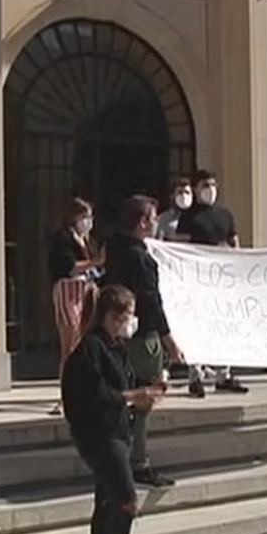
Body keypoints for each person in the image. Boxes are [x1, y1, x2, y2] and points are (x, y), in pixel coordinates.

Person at [61, 285, 166, 534]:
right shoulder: (89, 349)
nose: (130, 322)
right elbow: (97, 394)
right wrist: (133, 396)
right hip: (99, 435)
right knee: (126, 500)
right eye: (126, 315)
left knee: (107, 502)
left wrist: (148, 390)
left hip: (119, 431)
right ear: (110, 315)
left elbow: (124, 384)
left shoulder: (117, 348)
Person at [101, 195, 184, 488]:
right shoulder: (140, 258)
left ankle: (119, 456)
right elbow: (150, 301)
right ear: (142, 222)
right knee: (143, 399)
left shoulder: (114, 250)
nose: (155, 223)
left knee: (122, 396)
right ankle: (138, 462)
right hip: (142, 337)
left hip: (117, 334)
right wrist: (168, 339)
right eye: (152, 218)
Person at [180, 170, 249, 396]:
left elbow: (234, 242)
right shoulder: (188, 217)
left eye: (212, 184)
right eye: (205, 185)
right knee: (197, 327)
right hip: (198, 281)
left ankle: (224, 375)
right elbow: (180, 248)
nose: (210, 189)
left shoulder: (225, 214)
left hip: (223, 283)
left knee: (224, 326)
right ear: (196, 188)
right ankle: (196, 375)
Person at [48, 198, 102, 415]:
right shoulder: (63, 239)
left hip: (87, 292)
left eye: (90, 217)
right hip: (69, 293)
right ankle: (65, 396)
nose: (88, 221)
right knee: (70, 346)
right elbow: (68, 267)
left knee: (87, 343)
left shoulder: (89, 242)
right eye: (84, 216)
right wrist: (95, 262)